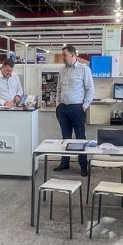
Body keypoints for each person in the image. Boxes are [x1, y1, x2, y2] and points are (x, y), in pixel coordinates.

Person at [54, 45, 94, 176]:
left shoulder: (84, 69)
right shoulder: (62, 71)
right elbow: (59, 88)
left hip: (77, 108)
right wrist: (58, 105)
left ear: (73, 55)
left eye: (64, 55)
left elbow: (90, 90)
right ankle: (65, 163)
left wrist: (84, 106)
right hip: (63, 109)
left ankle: (83, 165)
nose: (63, 58)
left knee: (80, 138)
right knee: (65, 137)